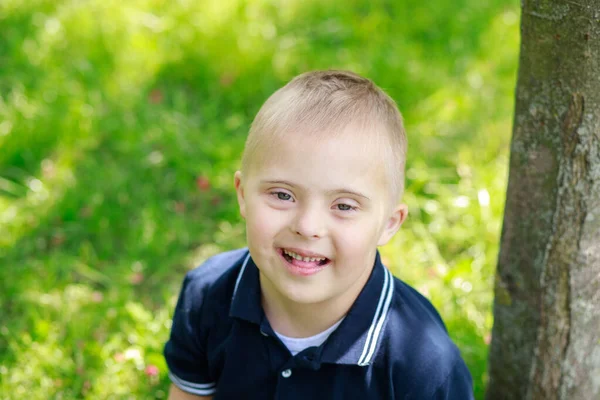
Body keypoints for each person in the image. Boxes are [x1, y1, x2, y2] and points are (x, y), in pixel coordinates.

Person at [164, 70, 474, 399]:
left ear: (389, 224)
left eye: (344, 206)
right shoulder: (207, 295)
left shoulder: (423, 364)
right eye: (282, 195)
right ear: (242, 195)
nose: (308, 227)